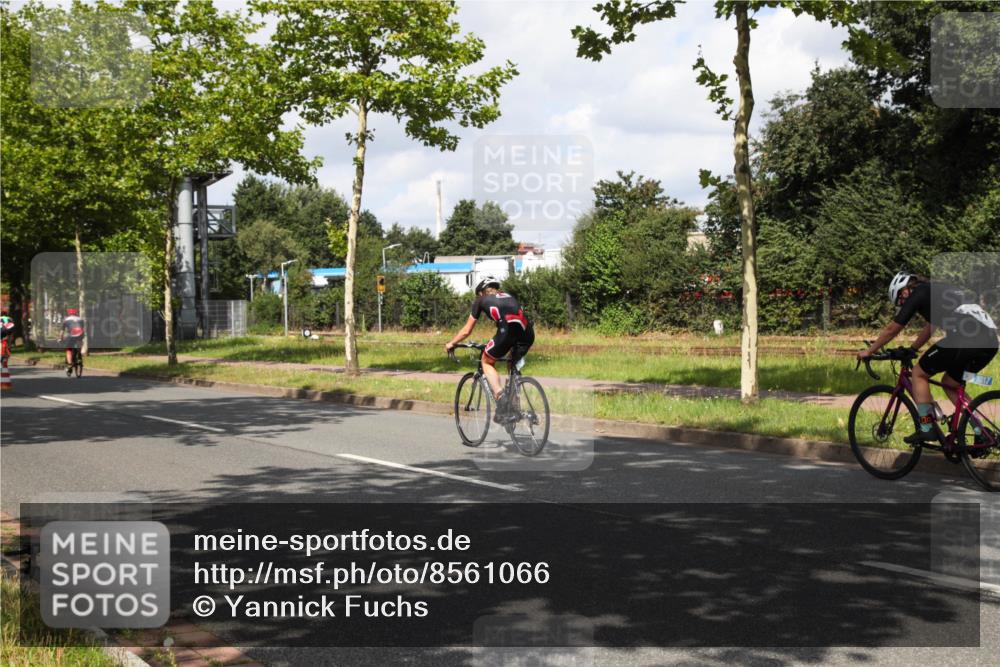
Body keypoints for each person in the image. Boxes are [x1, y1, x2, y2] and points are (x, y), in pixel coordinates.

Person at [858, 272, 998, 444]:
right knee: (951, 384)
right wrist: (912, 349)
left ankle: (927, 427)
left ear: (905, 289)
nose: (902, 304)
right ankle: (981, 431)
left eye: (901, 300)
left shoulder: (920, 292)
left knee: (918, 373)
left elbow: (893, 329)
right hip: (990, 341)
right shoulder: (938, 291)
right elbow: (930, 328)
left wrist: (870, 351)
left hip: (965, 339)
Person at [445, 276, 535, 421]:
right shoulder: (508, 295)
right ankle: (514, 408)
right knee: (511, 363)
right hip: (528, 332)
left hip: (508, 330)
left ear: (482, 292)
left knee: (486, 361)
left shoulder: (480, 300)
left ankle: (501, 397)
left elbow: (467, 330)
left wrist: (452, 343)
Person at [59, 307, 85, 375]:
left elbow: (62, 332)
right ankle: (79, 355)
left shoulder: (66, 320)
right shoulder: (80, 319)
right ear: (76, 313)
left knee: (69, 349)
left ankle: (70, 364)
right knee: (80, 342)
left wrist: (60, 338)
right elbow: (82, 329)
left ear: (68, 313)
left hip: (72, 335)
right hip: (80, 334)